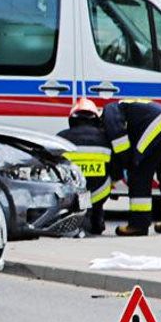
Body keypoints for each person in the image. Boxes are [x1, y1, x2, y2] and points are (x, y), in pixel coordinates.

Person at [102, 99, 161, 236]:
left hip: (158, 124)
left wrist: (128, 162)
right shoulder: (128, 109)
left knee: (139, 174)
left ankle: (138, 225)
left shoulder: (108, 110)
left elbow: (117, 137)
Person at [57, 98, 112, 235]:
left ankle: (79, 220)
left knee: (82, 199)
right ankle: (95, 219)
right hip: (100, 190)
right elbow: (115, 167)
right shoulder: (106, 138)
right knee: (93, 201)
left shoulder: (62, 137)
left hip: (74, 189)